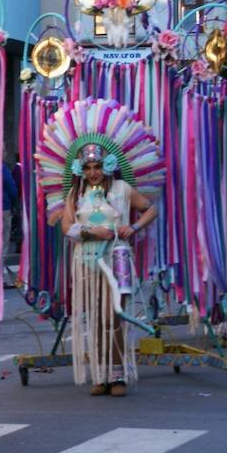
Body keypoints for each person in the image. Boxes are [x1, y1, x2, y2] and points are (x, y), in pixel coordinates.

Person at [60, 144, 156, 397]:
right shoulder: (75, 193)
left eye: (98, 166)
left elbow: (150, 209)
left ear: (109, 166)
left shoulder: (121, 189)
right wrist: (91, 232)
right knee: (95, 317)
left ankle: (118, 376)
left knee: (115, 316)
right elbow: (66, 226)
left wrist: (133, 227)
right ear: (81, 170)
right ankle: (100, 375)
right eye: (88, 167)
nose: (93, 172)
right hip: (86, 258)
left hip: (118, 257)